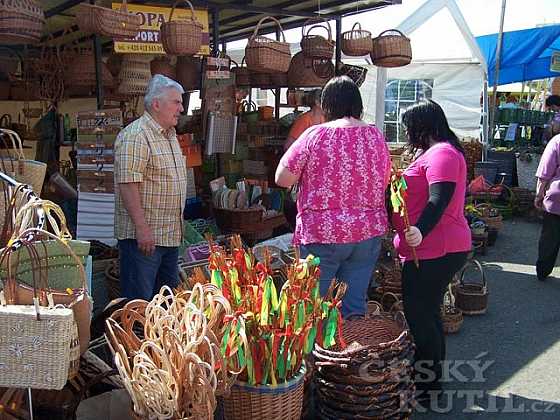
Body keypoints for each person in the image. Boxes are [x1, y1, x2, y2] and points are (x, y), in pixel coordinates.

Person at [275, 76, 391, 316]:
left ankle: (318, 353)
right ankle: (350, 349)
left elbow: (282, 179)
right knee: (353, 306)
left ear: (326, 105)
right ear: (358, 105)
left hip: (323, 234)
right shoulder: (376, 136)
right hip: (366, 233)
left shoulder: (315, 135)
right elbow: (385, 180)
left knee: (312, 309)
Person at [393, 99, 471, 405]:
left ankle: (427, 388)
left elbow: (439, 197)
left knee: (421, 316)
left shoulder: (443, 154)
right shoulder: (437, 152)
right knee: (428, 315)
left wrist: (420, 230)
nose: (407, 133)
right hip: (431, 247)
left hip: (435, 248)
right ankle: (430, 382)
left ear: (422, 126)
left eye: (409, 127)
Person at [114, 75, 188, 300]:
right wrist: (142, 228)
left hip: (168, 236)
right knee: (140, 306)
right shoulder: (136, 136)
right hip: (145, 241)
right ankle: (136, 337)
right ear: (156, 104)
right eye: (176, 102)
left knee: (165, 305)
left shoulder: (169, 135)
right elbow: (128, 184)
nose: (182, 108)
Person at [535, 129, 560, 281]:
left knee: (550, 237)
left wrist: (539, 194)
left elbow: (545, 170)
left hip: (557, 198)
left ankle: (543, 271)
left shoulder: (557, 140)